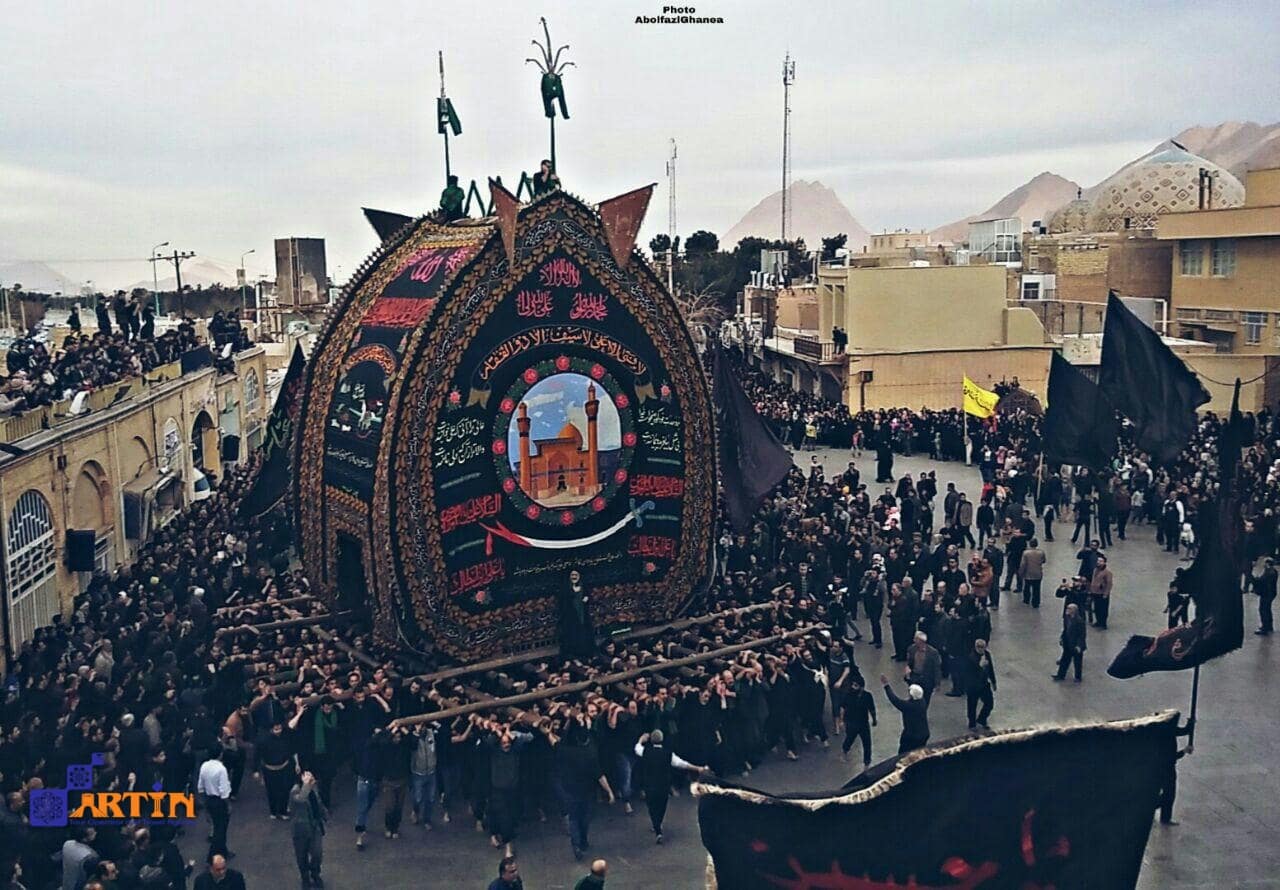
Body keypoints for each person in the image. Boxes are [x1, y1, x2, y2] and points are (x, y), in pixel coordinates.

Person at [635, 730, 705, 843]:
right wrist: (697, 768)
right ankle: (659, 823)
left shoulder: (646, 751)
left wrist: (641, 740)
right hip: (663, 784)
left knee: (652, 806)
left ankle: (657, 828)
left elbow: (637, 748)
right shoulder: (668, 754)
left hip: (649, 784)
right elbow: (682, 764)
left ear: (651, 740)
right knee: (661, 805)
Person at [289, 771, 327, 889]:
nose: (312, 780)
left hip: (314, 827)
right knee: (301, 856)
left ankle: (315, 873)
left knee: (317, 853)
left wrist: (324, 814)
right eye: (308, 777)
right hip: (300, 830)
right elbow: (301, 799)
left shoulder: (314, 788)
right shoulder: (295, 791)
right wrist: (306, 785)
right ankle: (305, 877)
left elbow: (318, 802)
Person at [197, 749, 233, 860]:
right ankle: (213, 855)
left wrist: (204, 802)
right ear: (220, 754)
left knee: (217, 826)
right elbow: (224, 790)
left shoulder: (204, 766)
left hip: (209, 799)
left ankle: (223, 851)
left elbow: (200, 787)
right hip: (219, 801)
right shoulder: (221, 769)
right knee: (221, 829)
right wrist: (228, 804)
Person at [879, 675, 929, 754]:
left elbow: (895, 700)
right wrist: (908, 680)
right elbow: (915, 691)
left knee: (903, 753)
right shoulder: (922, 701)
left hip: (912, 736)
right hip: (923, 734)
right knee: (919, 753)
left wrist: (886, 686)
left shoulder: (909, 706)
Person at [838, 678, 877, 770]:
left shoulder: (867, 696)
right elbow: (842, 707)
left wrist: (874, 719)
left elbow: (872, 708)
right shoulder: (849, 694)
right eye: (853, 685)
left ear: (861, 687)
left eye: (856, 685)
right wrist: (841, 720)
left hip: (863, 723)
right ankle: (844, 752)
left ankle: (867, 763)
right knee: (849, 739)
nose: (853, 687)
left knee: (867, 743)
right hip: (851, 722)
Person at [559, 570, 596, 658]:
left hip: (583, 615)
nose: (574, 577)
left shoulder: (583, 586)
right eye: (572, 575)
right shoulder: (566, 588)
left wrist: (586, 598)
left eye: (576, 575)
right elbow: (563, 602)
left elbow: (588, 596)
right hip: (571, 617)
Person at [963, 639, 997, 730]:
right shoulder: (970, 657)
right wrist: (979, 666)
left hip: (984, 684)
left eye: (983, 647)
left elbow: (990, 668)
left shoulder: (987, 655)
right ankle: (972, 723)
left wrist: (993, 681)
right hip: (973, 686)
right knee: (972, 705)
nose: (981, 649)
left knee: (989, 703)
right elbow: (968, 673)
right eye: (979, 647)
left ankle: (982, 719)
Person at [1053, 604, 1087, 682]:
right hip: (1068, 643)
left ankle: (1078, 677)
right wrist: (1062, 638)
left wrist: (1079, 645)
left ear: (1074, 611)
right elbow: (1065, 630)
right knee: (1065, 660)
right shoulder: (1067, 618)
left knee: (1077, 662)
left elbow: (1082, 635)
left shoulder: (1079, 621)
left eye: (1069, 609)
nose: (1067, 610)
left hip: (1075, 645)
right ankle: (1060, 675)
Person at [1019, 539, 1046, 608]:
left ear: (1030, 544)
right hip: (1038, 573)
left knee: (1027, 587)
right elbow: (1044, 561)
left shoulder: (1026, 553)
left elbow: (1023, 564)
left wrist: (1021, 572)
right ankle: (1036, 602)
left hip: (1028, 573)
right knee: (1037, 589)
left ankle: (1026, 600)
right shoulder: (1041, 552)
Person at [1089, 555, 1113, 629]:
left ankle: (1103, 623)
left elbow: (1109, 584)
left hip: (1102, 593)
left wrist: (1106, 593)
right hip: (1095, 592)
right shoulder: (1095, 570)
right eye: (1098, 561)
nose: (1098, 562)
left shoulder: (1107, 572)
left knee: (1103, 609)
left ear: (1104, 562)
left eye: (1101, 561)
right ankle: (1098, 621)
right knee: (1096, 608)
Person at [1255, 557, 1276, 635]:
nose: (1263, 564)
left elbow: (1263, 581)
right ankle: (1269, 626)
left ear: (1267, 563)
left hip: (1266, 593)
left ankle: (1265, 628)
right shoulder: (1273, 571)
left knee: (1263, 610)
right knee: (1267, 609)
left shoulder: (1269, 572)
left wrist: (1256, 579)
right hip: (1270, 593)